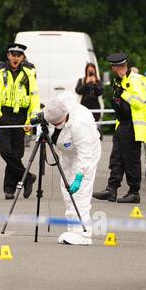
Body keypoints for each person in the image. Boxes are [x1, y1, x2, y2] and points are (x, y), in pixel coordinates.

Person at [42, 91, 102, 245]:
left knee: (80, 193)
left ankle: (84, 234)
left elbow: (85, 155)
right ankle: (72, 229)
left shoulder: (79, 125)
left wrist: (79, 177)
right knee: (66, 191)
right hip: (68, 155)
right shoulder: (55, 109)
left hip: (85, 154)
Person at [0, 42, 40, 198]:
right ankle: (27, 177)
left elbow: (34, 97)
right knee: (6, 151)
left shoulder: (29, 72)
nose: (15, 58)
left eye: (18, 55)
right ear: (8, 55)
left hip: (21, 116)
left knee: (17, 153)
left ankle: (9, 189)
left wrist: (31, 118)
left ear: (22, 57)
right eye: (12, 55)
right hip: (3, 115)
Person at [95, 51, 146, 204]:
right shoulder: (119, 80)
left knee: (131, 160)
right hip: (122, 124)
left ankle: (134, 192)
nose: (114, 70)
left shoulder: (134, 80)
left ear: (120, 66)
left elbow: (140, 101)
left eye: (115, 67)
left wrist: (124, 94)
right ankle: (111, 189)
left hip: (133, 126)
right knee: (116, 158)